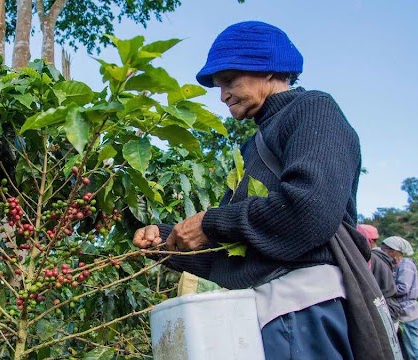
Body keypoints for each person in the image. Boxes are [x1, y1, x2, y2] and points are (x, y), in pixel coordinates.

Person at [133, 21, 363, 359]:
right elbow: (234, 251)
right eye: (218, 85)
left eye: (229, 80)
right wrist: (166, 241)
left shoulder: (313, 110)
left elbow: (309, 210)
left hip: (299, 309)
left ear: (268, 69)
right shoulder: (252, 145)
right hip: (257, 316)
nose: (223, 94)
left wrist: (210, 223)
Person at [381, 236, 418, 360]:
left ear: (393, 251)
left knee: (413, 350)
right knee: (405, 350)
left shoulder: (405, 265)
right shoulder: (397, 265)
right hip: (404, 313)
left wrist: (384, 289)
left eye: (385, 250)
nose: (383, 252)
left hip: (408, 314)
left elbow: (403, 288)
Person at [357, 224, 401, 322]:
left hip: (383, 308)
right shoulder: (382, 257)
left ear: (369, 241)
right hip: (391, 306)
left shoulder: (371, 258)